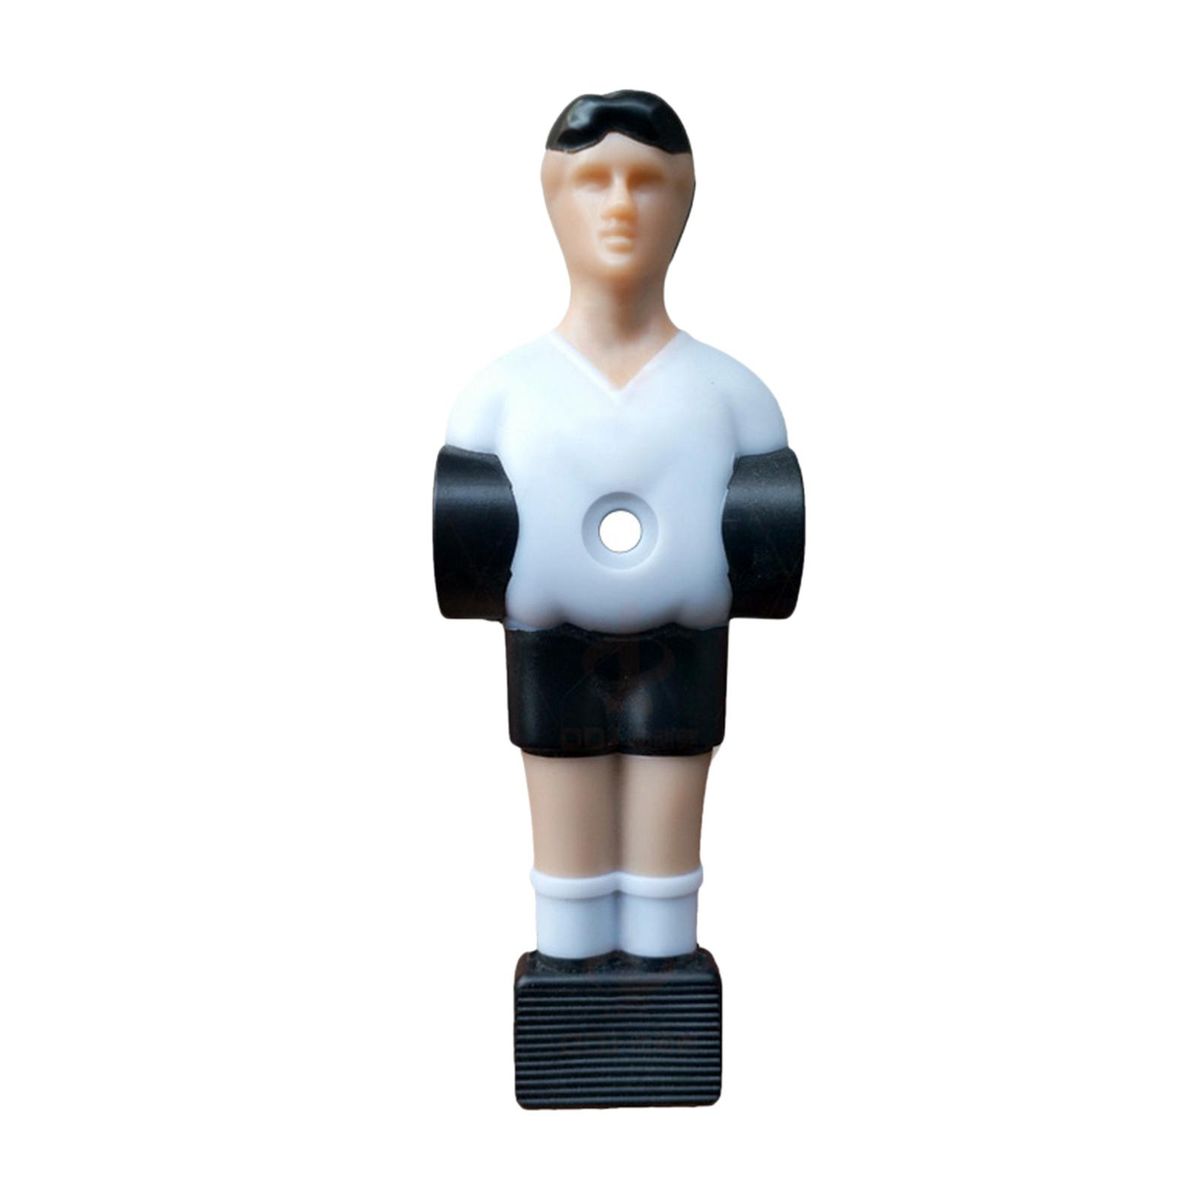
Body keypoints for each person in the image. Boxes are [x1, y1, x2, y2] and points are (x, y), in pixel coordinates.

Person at [433, 91, 804, 966]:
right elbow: (464, 550)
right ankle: (569, 968)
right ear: (551, 199)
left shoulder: (736, 399)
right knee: (565, 849)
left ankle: (662, 973)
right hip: (549, 653)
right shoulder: (500, 398)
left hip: (685, 654)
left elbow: (771, 549)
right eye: (593, 181)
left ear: (686, 199)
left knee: (666, 853)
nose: (622, 207)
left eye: (647, 181)